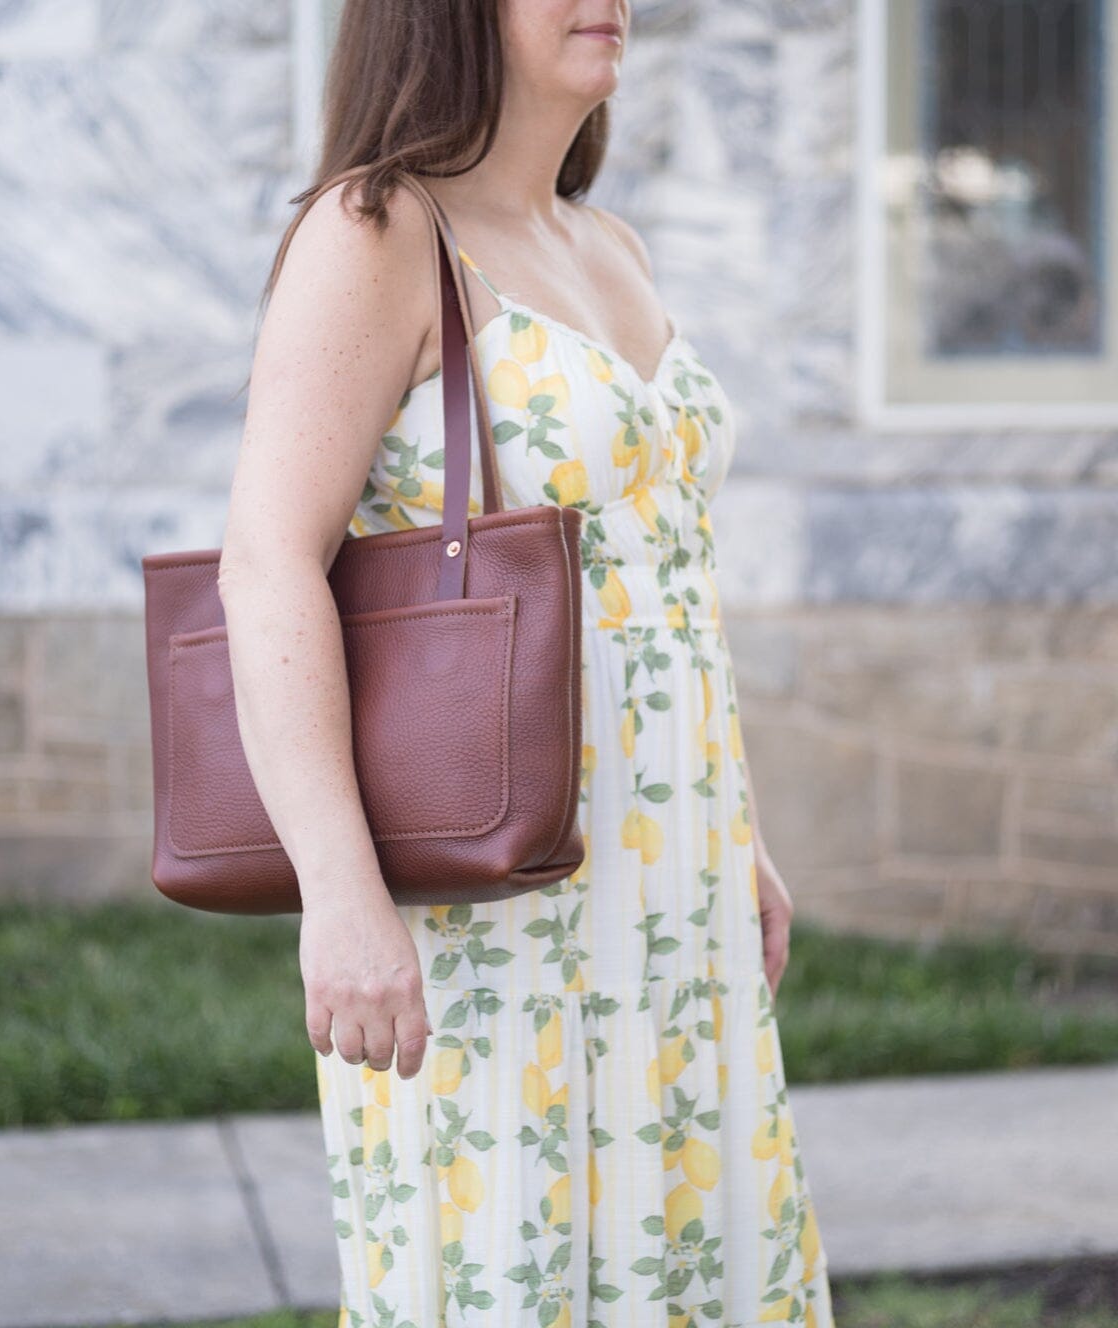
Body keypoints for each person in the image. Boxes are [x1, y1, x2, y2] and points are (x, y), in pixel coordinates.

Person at [217, 2, 835, 1324]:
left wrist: (740, 837)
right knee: (521, 1261)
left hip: (674, 888)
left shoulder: (607, 242)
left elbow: (658, 568)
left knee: (685, 1256)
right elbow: (267, 563)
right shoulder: (377, 232)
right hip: (497, 905)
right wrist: (340, 895)